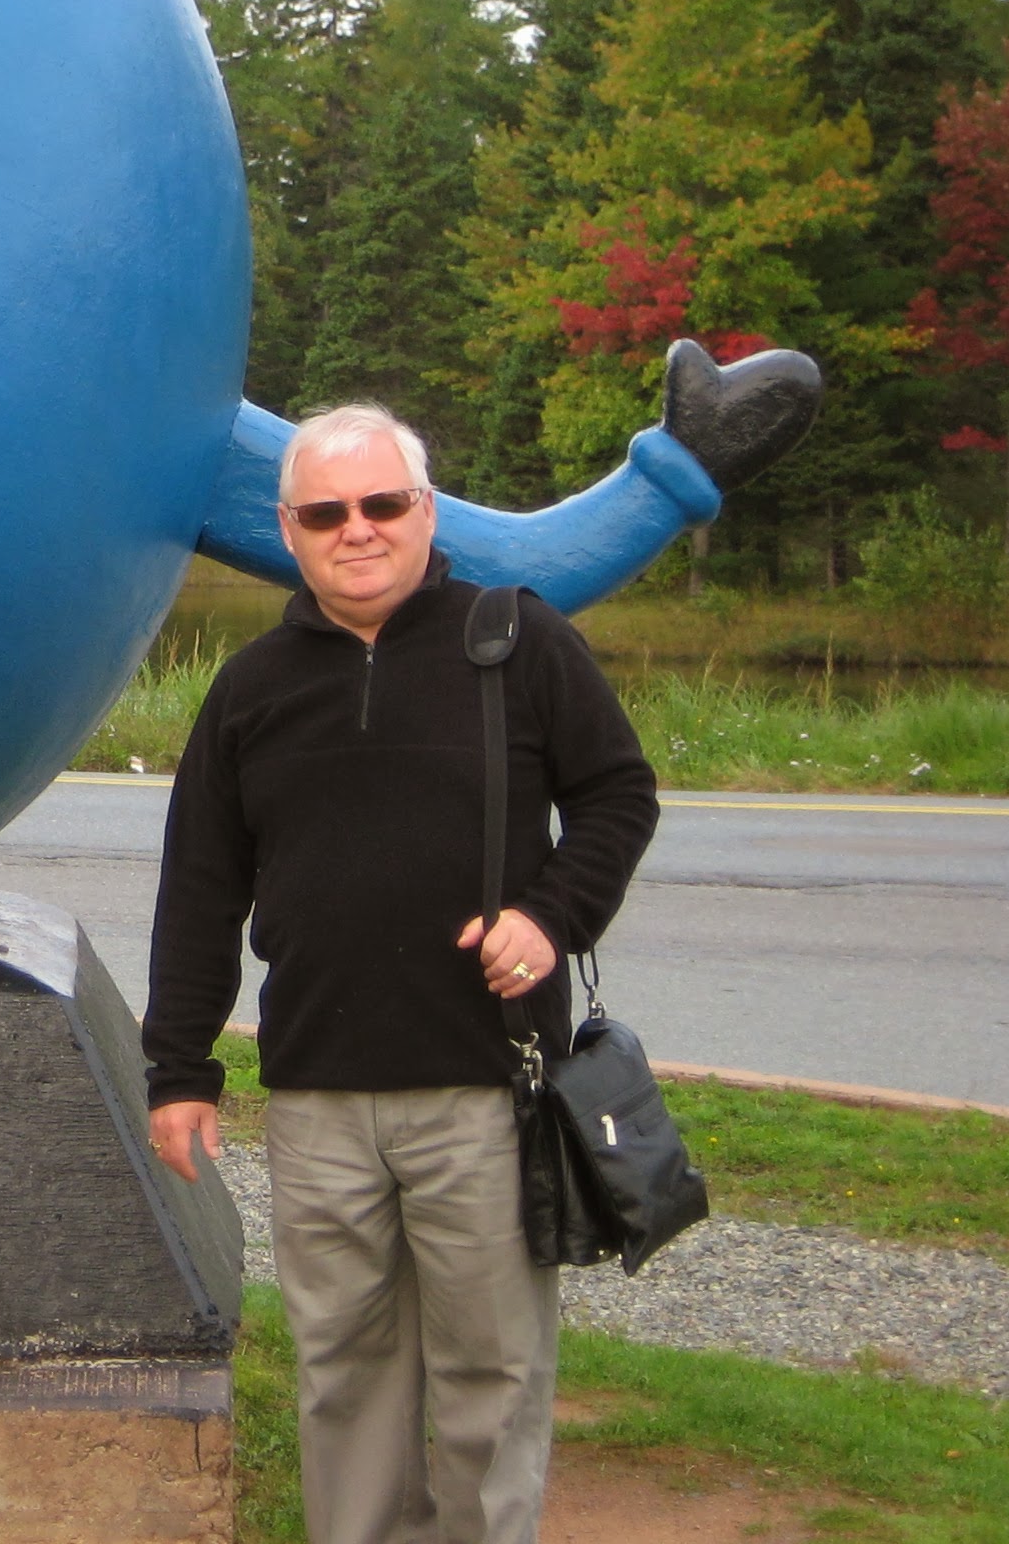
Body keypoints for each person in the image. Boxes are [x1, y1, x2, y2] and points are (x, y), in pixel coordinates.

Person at [141, 403, 660, 1544]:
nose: (358, 529)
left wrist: (551, 919)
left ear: (425, 511)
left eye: (382, 503)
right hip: (317, 1098)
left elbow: (619, 796)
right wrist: (178, 1068)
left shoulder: (518, 642)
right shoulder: (251, 687)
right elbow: (201, 889)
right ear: (289, 529)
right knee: (344, 1372)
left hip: (484, 1083)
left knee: (490, 1373)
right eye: (327, 513)